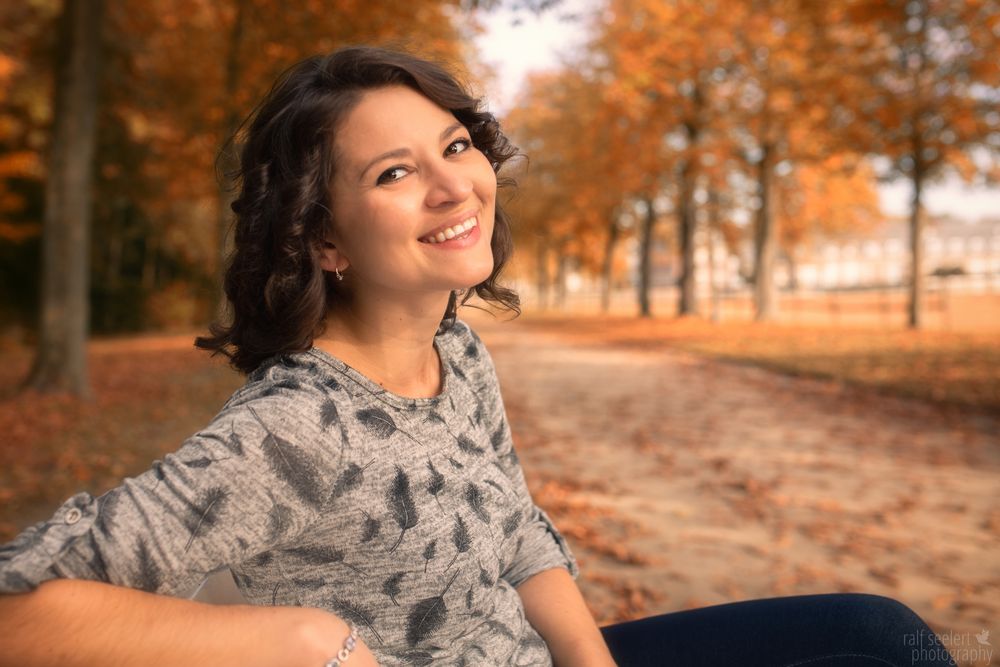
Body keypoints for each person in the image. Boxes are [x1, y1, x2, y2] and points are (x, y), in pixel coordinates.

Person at [0, 46, 956, 667]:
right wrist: (301, 640)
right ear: (322, 239)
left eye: (454, 145)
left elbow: (517, 527)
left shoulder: (455, 348)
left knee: (880, 638)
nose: (454, 184)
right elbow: (20, 610)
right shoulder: (294, 428)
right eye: (393, 172)